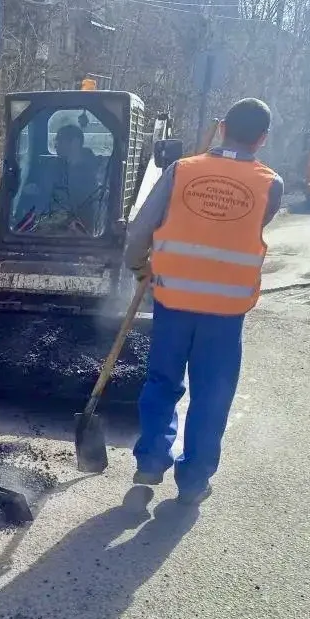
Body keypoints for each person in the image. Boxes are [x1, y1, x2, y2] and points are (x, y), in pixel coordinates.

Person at [123, 98, 285, 505]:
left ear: (222, 128)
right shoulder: (271, 185)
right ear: (262, 139)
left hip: (173, 301)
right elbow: (249, 227)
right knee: (212, 394)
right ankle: (194, 481)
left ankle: (151, 460)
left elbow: (140, 229)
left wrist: (139, 267)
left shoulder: (182, 170)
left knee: (162, 382)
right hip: (225, 314)